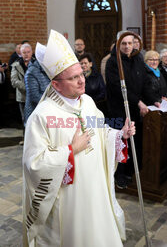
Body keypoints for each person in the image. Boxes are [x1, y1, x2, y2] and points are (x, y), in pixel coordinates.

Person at [23, 30, 136, 247]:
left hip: (96, 186)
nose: (81, 81)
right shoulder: (42, 116)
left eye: (81, 74)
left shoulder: (88, 102)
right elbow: (33, 164)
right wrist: (70, 150)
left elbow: (100, 131)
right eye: (73, 78)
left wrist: (119, 135)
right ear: (56, 84)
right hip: (70, 198)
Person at [105, 30, 149, 189]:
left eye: (130, 43)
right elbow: (117, 87)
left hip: (136, 108)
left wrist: (153, 100)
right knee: (121, 142)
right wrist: (138, 102)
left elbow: (144, 81)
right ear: (118, 44)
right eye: (123, 43)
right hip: (119, 110)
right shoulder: (112, 62)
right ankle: (119, 174)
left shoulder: (138, 58)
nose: (127, 46)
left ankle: (132, 171)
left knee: (135, 141)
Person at [11, 43, 34, 143]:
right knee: (25, 118)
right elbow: (14, 81)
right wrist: (28, 88)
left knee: (35, 118)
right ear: (20, 53)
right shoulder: (16, 65)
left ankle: (36, 139)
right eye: (24, 52)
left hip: (35, 96)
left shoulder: (36, 64)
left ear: (31, 52)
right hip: (23, 97)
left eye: (28, 52)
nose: (26, 54)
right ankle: (26, 139)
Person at [24, 43, 50, 124]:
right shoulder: (31, 72)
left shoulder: (49, 70)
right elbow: (35, 97)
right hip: (35, 114)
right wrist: (53, 104)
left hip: (47, 112)